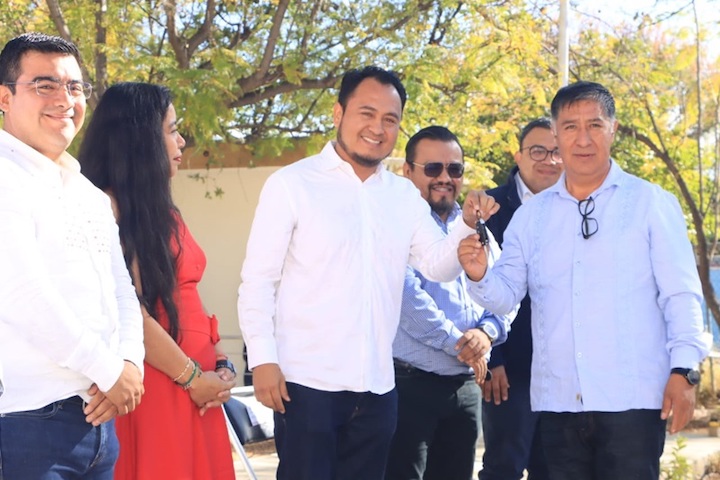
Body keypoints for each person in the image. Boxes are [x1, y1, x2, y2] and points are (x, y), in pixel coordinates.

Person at [237, 66, 495, 480]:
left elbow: (437, 263)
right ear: (338, 113)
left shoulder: (402, 195)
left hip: (378, 389)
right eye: (367, 113)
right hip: (305, 386)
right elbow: (258, 282)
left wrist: (466, 228)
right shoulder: (292, 184)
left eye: (390, 119)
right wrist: (263, 360)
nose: (378, 128)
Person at [459, 81, 709, 480]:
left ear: (613, 129)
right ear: (557, 135)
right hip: (558, 404)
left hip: (632, 402)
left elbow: (681, 295)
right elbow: (505, 296)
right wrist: (479, 273)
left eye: (594, 125)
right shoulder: (532, 216)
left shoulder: (650, 203)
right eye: (570, 127)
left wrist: (685, 370)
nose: (583, 139)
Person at [0, 33, 144, 478]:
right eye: (44, 85)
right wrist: (109, 372)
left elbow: (122, 290)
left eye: (75, 87)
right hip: (27, 422)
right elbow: (24, 295)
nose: (64, 99)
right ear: (4, 98)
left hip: (99, 422)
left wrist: (129, 364)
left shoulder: (89, 194)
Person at [77, 82, 236, 480]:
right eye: (171, 129)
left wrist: (221, 362)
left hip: (199, 391)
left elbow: (187, 296)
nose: (181, 141)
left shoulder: (165, 211)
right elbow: (128, 310)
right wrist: (193, 378)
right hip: (160, 390)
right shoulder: (107, 207)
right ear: (140, 137)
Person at [385, 125, 513, 480]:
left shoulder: (477, 227)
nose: (445, 178)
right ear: (407, 171)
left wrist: (487, 333)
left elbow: (505, 291)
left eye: (454, 169)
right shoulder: (394, 224)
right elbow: (406, 299)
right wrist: (462, 345)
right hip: (409, 387)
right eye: (433, 168)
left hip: (465, 389)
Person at [479, 118, 562, 480]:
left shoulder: (577, 205)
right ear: (519, 156)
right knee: (504, 466)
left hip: (562, 369)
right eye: (538, 151)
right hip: (510, 368)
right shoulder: (491, 207)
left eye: (556, 151)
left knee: (556, 468)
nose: (549, 160)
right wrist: (492, 358)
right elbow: (475, 283)